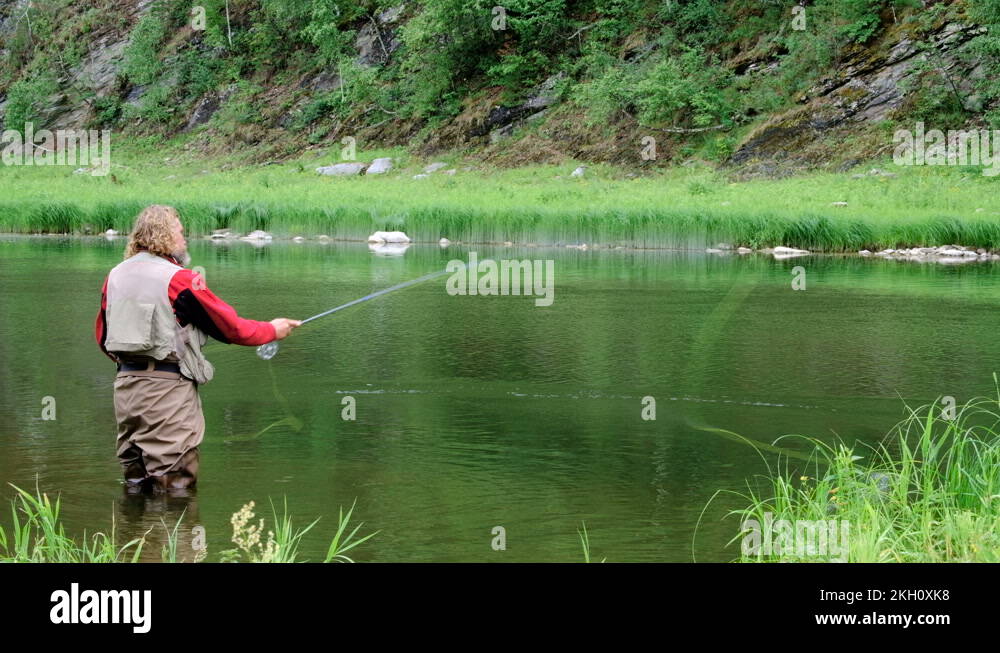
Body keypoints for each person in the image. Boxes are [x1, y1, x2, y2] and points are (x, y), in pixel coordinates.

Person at [95, 205, 300, 492]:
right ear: (164, 235)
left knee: (135, 481)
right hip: (166, 392)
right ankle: (174, 537)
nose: (184, 239)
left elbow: (103, 337)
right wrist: (272, 331)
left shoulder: (115, 275)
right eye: (180, 232)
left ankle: (133, 534)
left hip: (125, 389)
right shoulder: (179, 279)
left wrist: (136, 367)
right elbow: (231, 327)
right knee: (175, 483)